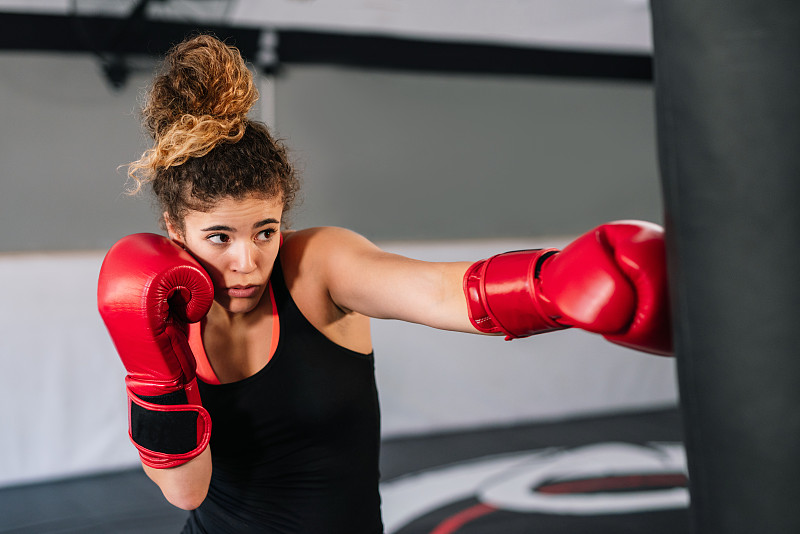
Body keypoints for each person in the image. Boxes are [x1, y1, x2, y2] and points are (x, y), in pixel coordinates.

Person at [97, 34, 672, 534]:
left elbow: (441, 292)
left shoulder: (317, 265)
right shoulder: (161, 311)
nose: (248, 260)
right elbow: (185, 492)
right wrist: (156, 369)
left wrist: (554, 287)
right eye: (219, 236)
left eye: (265, 231)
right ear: (176, 229)